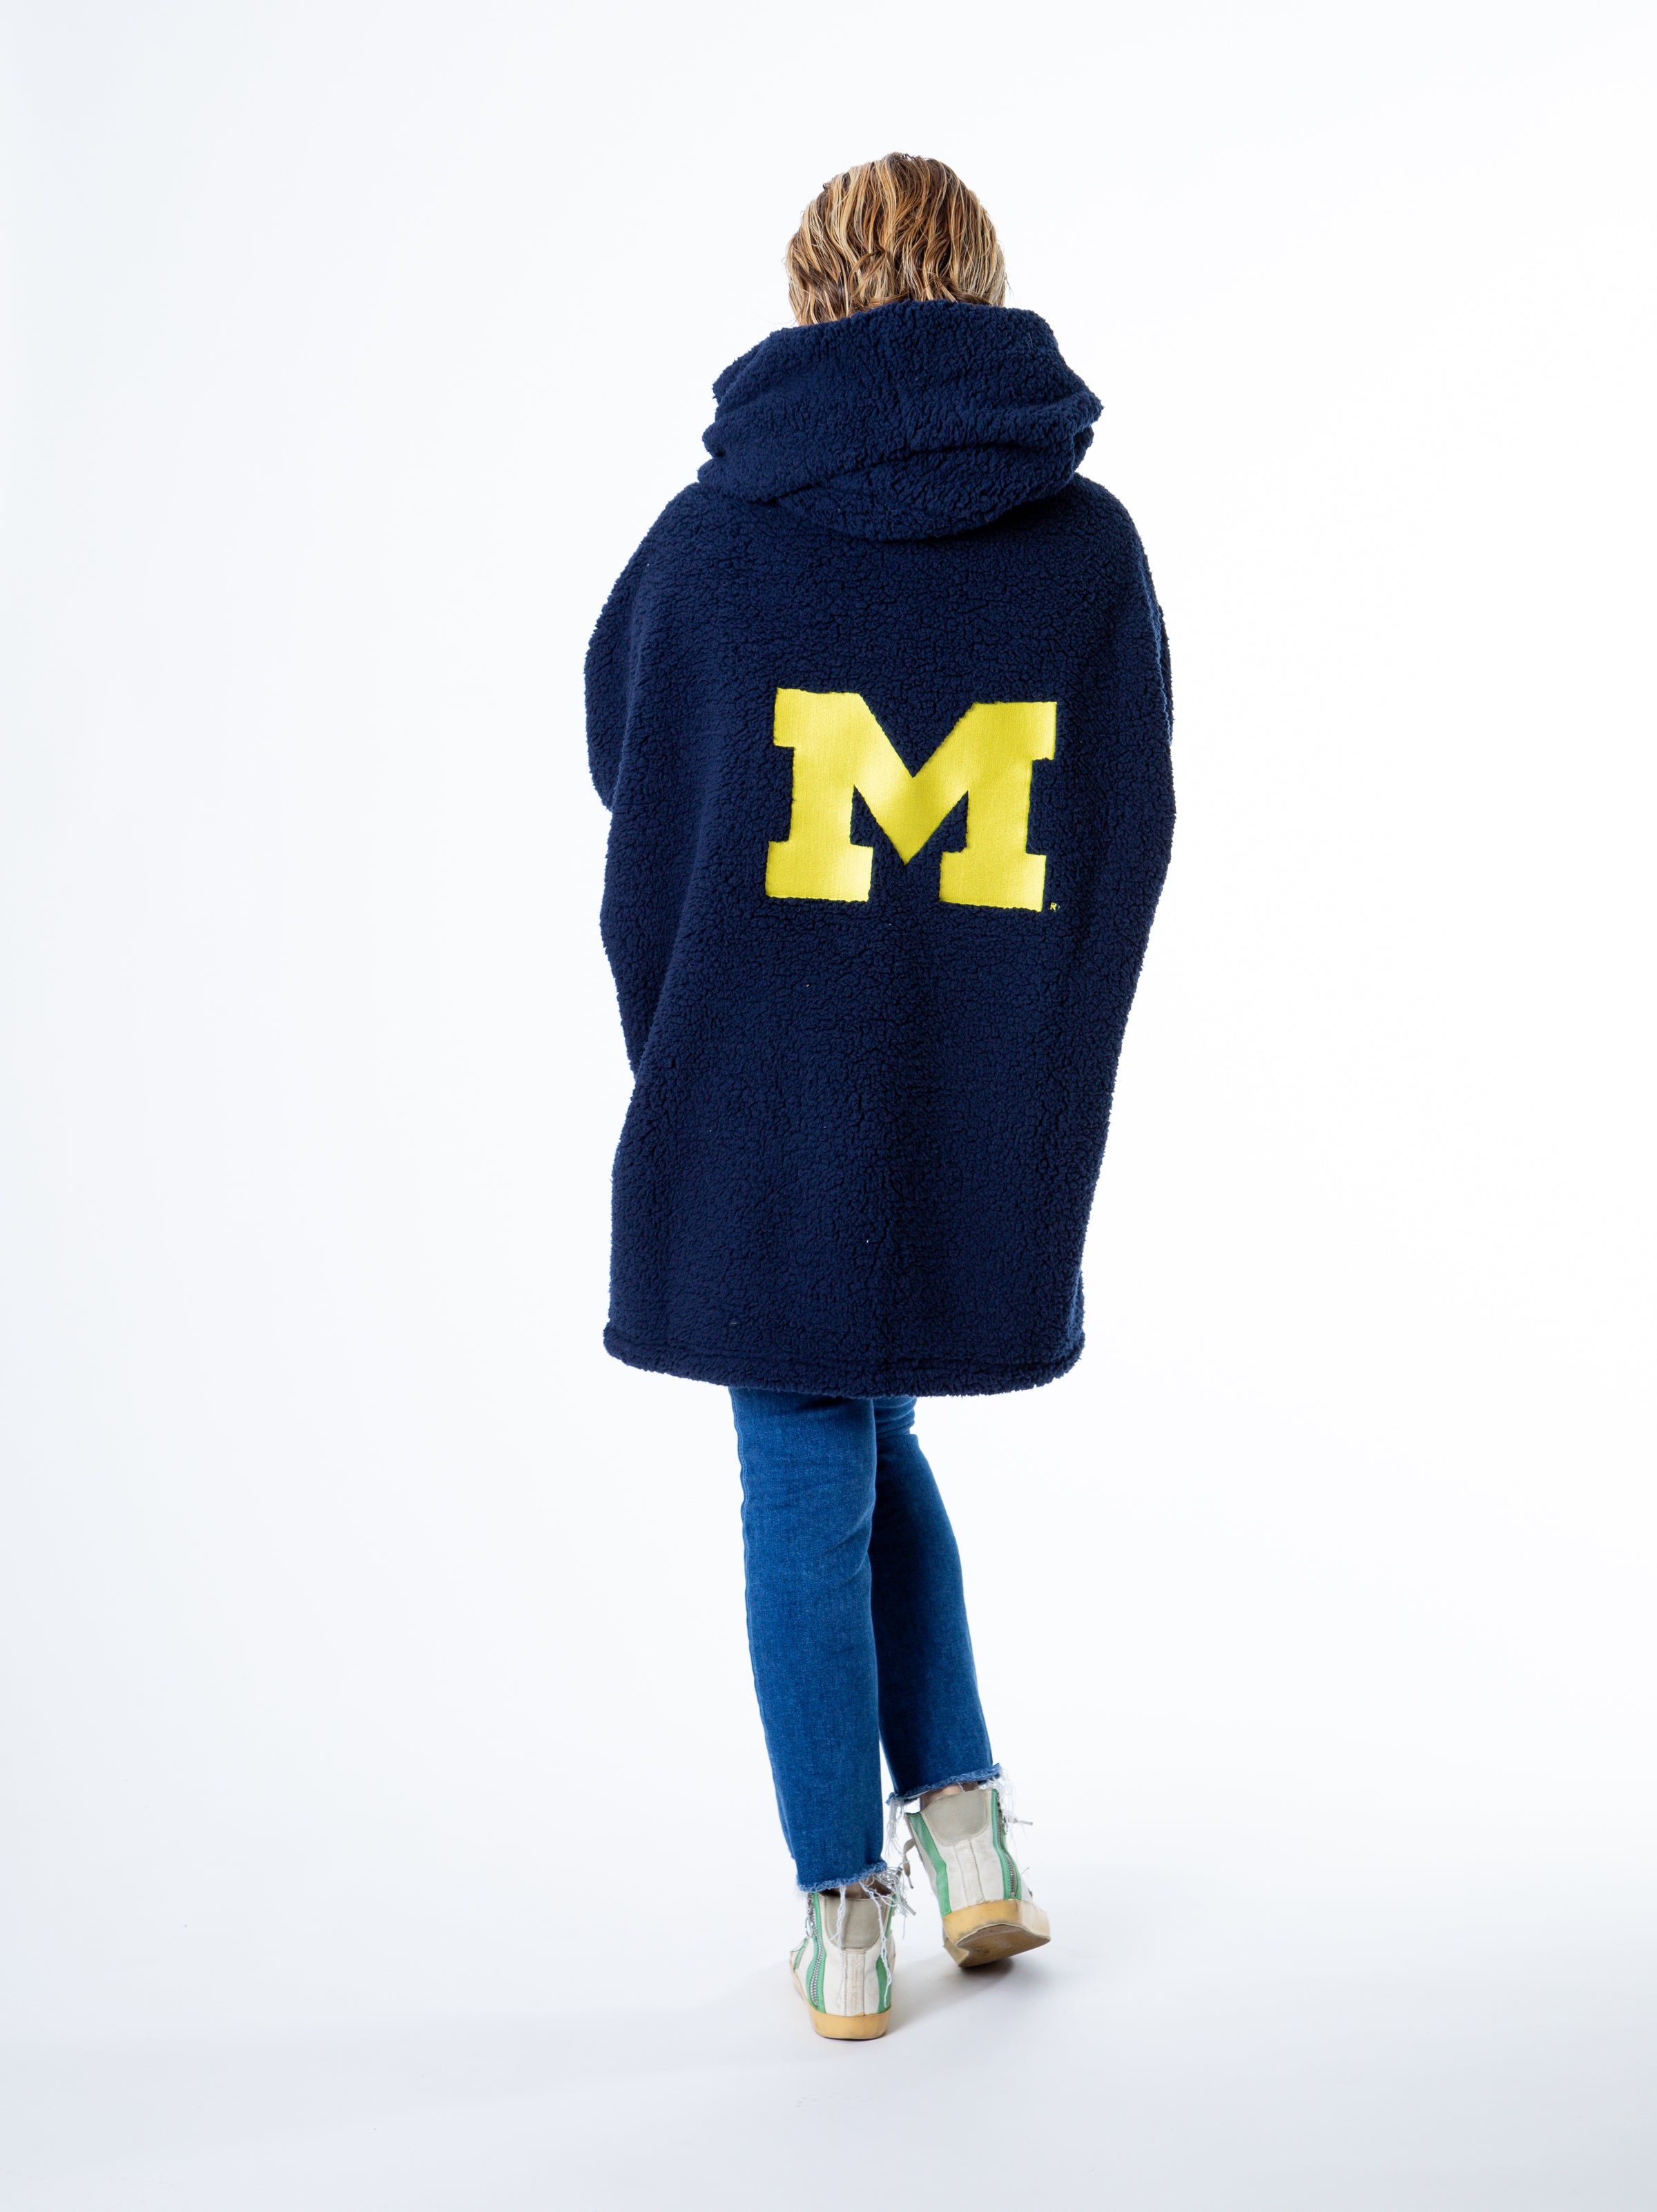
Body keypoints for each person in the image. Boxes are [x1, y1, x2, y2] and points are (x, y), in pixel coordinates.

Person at [585, 155, 1173, 2038]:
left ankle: (845, 1904)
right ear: (982, 280)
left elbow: (634, 760)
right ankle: (977, 1838)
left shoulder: (708, 544)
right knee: (865, 1431)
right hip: (957, 1077)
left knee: (795, 1460)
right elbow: (1128, 826)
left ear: (810, 287)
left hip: (766, 1071)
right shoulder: (1088, 552)